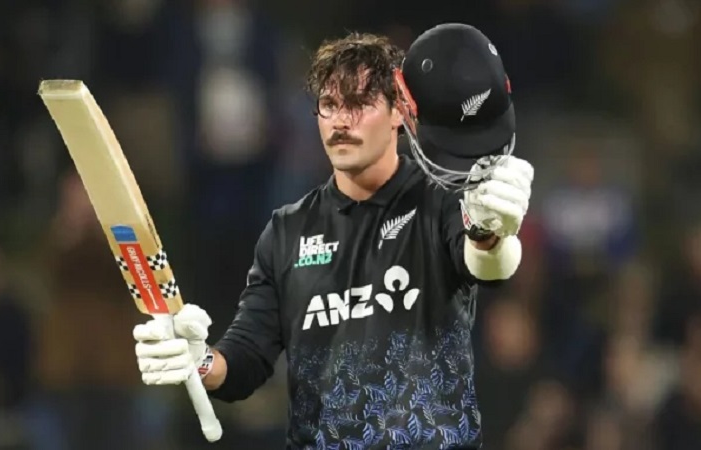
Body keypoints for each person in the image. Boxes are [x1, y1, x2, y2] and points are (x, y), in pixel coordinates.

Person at [133, 23, 534, 449]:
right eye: (329, 105)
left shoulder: (440, 200)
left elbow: (487, 266)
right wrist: (199, 360)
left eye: (359, 103)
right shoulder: (287, 231)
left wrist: (490, 232)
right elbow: (246, 360)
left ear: (399, 111)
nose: (341, 121)